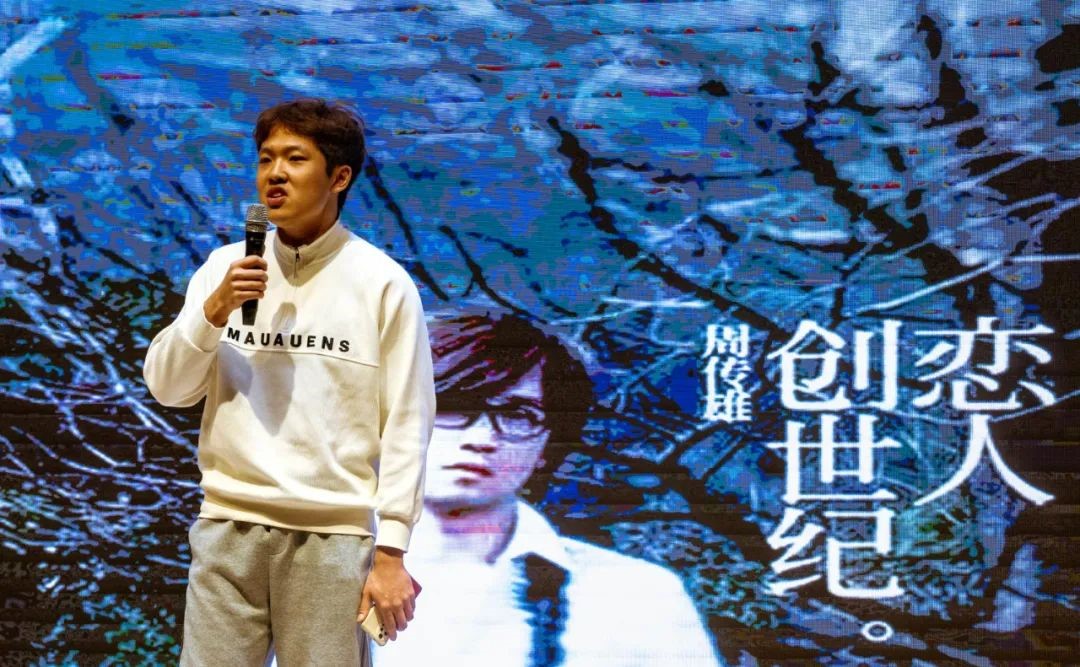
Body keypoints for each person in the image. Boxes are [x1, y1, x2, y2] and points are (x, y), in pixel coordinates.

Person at [143, 98, 435, 667]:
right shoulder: (224, 268)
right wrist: (214, 310)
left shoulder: (382, 283)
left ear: (339, 177)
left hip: (333, 540)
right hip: (227, 527)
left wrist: (392, 552)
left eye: (295, 159)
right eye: (265, 159)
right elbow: (168, 388)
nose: (274, 174)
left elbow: (407, 423)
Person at [372, 310, 722, 666]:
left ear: (547, 446)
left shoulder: (637, 596)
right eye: (452, 406)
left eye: (518, 415)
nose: (483, 437)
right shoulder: (335, 574)